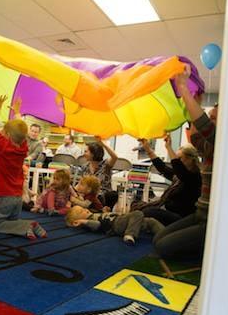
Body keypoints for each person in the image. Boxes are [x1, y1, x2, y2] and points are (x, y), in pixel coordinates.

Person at [153, 65, 217, 259]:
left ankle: (209, 251)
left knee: (163, 247)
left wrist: (183, 87)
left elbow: (204, 126)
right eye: (210, 117)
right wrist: (194, 101)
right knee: (157, 241)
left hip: (210, 221)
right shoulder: (209, 149)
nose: (210, 120)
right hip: (199, 214)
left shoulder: (224, 143)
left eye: (214, 118)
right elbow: (197, 135)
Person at [0, 96, 47, 239]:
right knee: (11, 221)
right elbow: (21, 131)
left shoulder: (3, 146)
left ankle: (27, 225)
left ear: (7, 135)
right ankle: (28, 226)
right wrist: (17, 112)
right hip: (17, 195)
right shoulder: (24, 148)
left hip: (2, 194)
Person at [131, 135, 201, 226]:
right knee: (136, 205)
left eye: (180, 158)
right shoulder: (179, 177)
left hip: (180, 217)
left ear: (191, 159)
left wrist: (169, 148)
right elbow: (163, 168)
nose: (178, 162)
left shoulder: (194, 177)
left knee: (147, 211)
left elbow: (178, 168)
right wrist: (148, 149)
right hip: (168, 210)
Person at [65, 206, 164, 245]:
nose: (85, 210)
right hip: (116, 224)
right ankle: (130, 234)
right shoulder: (90, 220)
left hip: (122, 221)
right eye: (81, 211)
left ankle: (164, 235)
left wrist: (105, 212)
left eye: (83, 208)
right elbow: (98, 225)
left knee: (151, 221)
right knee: (138, 213)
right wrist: (83, 221)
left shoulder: (95, 214)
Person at [80, 137, 119, 209]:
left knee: (111, 195)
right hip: (88, 195)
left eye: (86, 151)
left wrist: (103, 144)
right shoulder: (85, 167)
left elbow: (115, 157)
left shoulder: (105, 165)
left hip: (104, 196)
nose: (84, 154)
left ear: (93, 153)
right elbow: (81, 184)